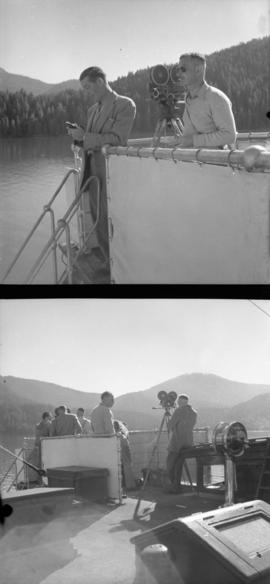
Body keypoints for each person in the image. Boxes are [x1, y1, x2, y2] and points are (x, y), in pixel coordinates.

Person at [67, 66, 136, 266]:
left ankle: (119, 264)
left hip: (110, 172)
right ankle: (108, 261)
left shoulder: (124, 105)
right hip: (92, 171)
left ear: (100, 81)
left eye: (88, 86)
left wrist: (85, 137)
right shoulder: (92, 109)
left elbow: (118, 139)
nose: (87, 92)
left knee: (111, 218)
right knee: (98, 217)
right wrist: (79, 138)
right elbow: (92, 140)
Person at [176, 52, 236, 149]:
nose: (178, 73)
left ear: (198, 70)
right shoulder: (188, 99)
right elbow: (189, 138)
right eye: (178, 69)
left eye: (183, 69)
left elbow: (229, 136)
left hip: (216, 162)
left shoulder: (216, 98)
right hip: (196, 161)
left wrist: (193, 140)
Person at [166, 394, 197, 493]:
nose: (177, 403)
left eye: (178, 401)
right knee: (178, 466)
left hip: (177, 443)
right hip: (188, 443)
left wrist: (169, 415)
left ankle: (175, 488)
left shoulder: (179, 411)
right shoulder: (194, 412)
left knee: (170, 465)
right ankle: (176, 488)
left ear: (182, 402)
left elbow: (170, 425)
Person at [114, 420, 136, 492]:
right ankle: (130, 485)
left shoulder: (114, 436)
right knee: (127, 468)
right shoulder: (123, 436)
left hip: (118, 455)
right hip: (124, 453)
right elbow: (126, 448)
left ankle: (125, 486)